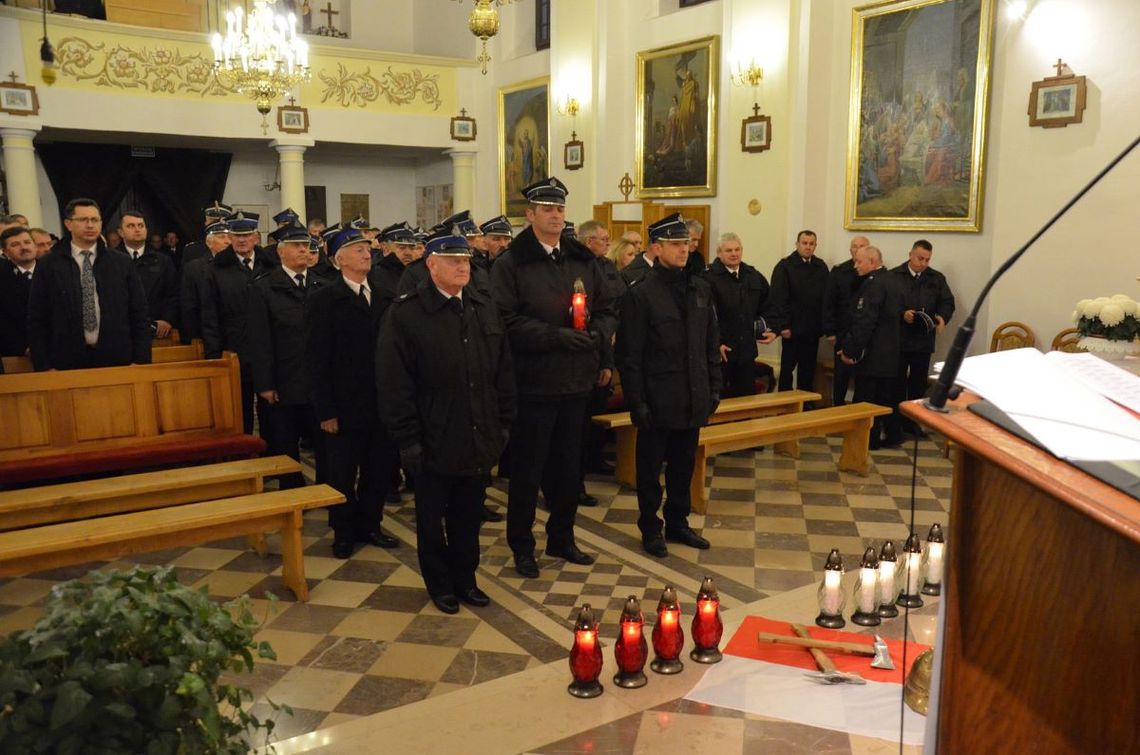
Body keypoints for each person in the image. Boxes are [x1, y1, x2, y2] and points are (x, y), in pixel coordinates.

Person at [378, 227, 516, 614]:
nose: (462, 267)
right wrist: (408, 439)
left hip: (479, 430)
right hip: (432, 434)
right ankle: (440, 584)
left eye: (466, 261)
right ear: (431, 265)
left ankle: (466, 579)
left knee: (468, 516)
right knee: (432, 517)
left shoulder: (482, 306)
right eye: (453, 261)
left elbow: (503, 369)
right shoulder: (406, 313)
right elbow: (394, 381)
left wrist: (503, 424)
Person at [490, 177, 618, 578]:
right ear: (529, 215)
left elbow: (609, 306)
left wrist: (599, 340)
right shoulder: (512, 262)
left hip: (577, 380)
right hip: (534, 381)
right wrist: (554, 337)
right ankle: (522, 546)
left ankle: (562, 536)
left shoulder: (581, 259)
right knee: (528, 471)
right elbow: (504, 320)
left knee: (569, 467)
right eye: (546, 209)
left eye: (560, 209)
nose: (555, 215)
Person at [616, 213, 720, 558]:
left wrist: (714, 389)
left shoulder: (699, 288)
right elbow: (630, 355)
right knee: (650, 470)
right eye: (676, 244)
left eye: (687, 244)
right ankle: (650, 527)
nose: (684, 249)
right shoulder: (641, 293)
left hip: (693, 396)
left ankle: (678, 522)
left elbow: (709, 344)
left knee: (683, 466)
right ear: (657, 248)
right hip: (657, 398)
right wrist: (637, 402)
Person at [306, 226, 400, 558]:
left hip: (381, 402)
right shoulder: (324, 300)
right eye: (357, 249)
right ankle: (343, 531)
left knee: (377, 470)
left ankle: (370, 525)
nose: (366, 253)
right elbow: (317, 359)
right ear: (337, 259)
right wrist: (326, 411)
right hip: (344, 405)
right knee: (342, 473)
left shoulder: (385, 294)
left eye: (367, 248)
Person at [27, 198, 151, 370]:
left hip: (117, 358)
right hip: (65, 361)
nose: (90, 225)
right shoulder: (49, 264)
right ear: (68, 224)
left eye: (95, 220)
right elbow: (37, 318)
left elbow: (139, 312)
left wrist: (141, 360)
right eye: (83, 220)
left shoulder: (121, 262)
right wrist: (45, 366)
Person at [247, 223, 326, 489]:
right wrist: (265, 384)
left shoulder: (322, 285)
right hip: (284, 378)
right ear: (281, 252)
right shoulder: (265, 288)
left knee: (324, 440)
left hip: (318, 378)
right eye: (297, 246)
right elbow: (260, 340)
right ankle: (293, 491)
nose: (304, 250)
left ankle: (327, 489)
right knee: (286, 441)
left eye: (306, 246)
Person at [200, 211, 277, 433]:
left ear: (256, 238)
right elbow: (210, 316)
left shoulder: (270, 266)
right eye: (236, 235)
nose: (242, 240)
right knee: (238, 414)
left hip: (267, 351)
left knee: (272, 414)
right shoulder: (215, 270)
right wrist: (214, 356)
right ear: (230, 238)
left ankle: (272, 459)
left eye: (247, 235)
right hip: (234, 349)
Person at [837, 246, 903, 449]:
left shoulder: (873, 285)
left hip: (873, 355)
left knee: (867, 400)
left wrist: (851, 351)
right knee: (886, 398)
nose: (855, 265)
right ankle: (893, 436)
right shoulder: (893, 280)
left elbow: (865, 321)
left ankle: (869, 441)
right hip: (890, 354)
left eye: (859, 261)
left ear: (872, 261)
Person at [891, 239, 955, 432]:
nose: (924, 263)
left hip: (922, 340)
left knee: (918, 383)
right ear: (910, 254)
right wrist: (903, 313)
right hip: (899, 339)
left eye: (927, 260)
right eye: (920, 258)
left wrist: (942, 317)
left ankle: (913, 421)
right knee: (897, 381)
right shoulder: (894, 276)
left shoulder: (936, 278)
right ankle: (895, 421)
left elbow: (947, 302)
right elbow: (887, 303)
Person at [705, 232, 777, 397]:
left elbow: (770, 306)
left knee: (746, 401)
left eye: (737, 249)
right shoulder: (707, 278)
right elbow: (703, 318)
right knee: (718, 401)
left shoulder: (753, 276)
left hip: (746, 353)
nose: (734, 254)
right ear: (719, 252)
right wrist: (714, 343)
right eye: (729, 250)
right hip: (720, 354)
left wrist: (774, 329)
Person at [769, 230, 829, 393]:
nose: (808, 247)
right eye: (804, 243)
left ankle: (805, 404)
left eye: (811, 244)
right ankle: (784, 403)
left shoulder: (821, 266)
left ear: (815, 246)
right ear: (797, 244)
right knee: (787, 369)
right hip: (792, 329)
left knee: (808, 370)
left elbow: (826, 298)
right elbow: (778, 298)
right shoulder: (785, 266)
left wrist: (823, 326)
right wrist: (783, 325)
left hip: (812, 329)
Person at [822, 236, 870, 405]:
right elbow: (829, 302)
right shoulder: (839, 271)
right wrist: (830, 331)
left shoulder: (874, 273)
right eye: (855, 247)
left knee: (862, 377)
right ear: (850, 250)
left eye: (862, 246)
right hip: (842, 332)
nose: (858, 249)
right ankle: (838, 407)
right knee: (841, 375)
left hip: (864, 335)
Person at [119, 210, 179, 339]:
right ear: (121, 232)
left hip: (157, 329)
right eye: (131, 226)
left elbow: (173, 293)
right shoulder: (110, 260)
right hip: (120, 330)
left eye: (141, 225)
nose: (137, 229)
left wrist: (167, 319)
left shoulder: (163, 260)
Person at [179, 220, 230, 342]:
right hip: (205, 336)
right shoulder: (194, 268)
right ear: (209, 242)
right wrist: (193, 339)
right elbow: (189, 308)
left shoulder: (237, 266)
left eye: (230, 237)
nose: (228, 241)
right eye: (222, 237)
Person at [0, 226, 37, 357]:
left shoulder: (53, 270)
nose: (23, 247)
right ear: (5, 252)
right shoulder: (3, 278)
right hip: (16, 352)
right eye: (15, 245)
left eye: (27, 242)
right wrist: (23, 347)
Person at [181, 201, 233, 268]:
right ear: (205, 223)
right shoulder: (192, 250)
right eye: (212, 221)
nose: (216, 225)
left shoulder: (236, 248)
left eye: (221, 222)